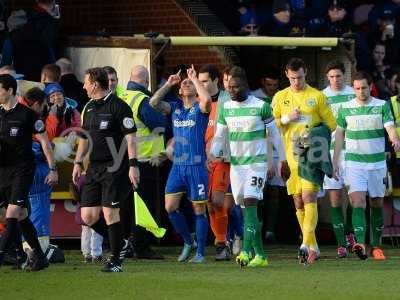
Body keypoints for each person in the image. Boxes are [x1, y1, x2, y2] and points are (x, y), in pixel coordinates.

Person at [211, 66, 286, 267]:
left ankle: (245, 251)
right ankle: (260, 256)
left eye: (236, 87)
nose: (232, 90)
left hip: (257, 164)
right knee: (245, 210)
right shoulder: (225, 107)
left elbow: (275, 136)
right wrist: (213, 153)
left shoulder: (261, 106)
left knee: (251, 202)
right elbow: (219, 135)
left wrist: (283, 160)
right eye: (230, 87)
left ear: (245, 85)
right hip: (237, 166)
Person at [72, 67, 140, 272]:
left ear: (94, 84)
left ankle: (116, 260)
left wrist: (133, 166)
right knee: (88, 217)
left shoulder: (119, 107)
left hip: (115, 166)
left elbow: (131, 138)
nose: (83, 86)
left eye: (85, 82)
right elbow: (84, 139)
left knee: (111, 213)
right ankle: (120, 242)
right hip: (94, 168)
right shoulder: (89, 107)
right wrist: (77, 162)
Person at [272, 58, 336, 264]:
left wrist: (314, 135)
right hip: (291, 157)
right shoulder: (280, 97)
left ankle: (304, 243)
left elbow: (332, 125)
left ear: (305, 72)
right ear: (286, 75)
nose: (296, 81)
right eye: (292, 78)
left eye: (299, 77)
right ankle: (313, 246)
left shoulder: (317, 96)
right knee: (298, 200)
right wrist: (286, 119)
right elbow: (272, 127)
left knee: (309, 197)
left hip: (310, 155)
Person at [333, 71, 400, 261]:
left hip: (377, 164)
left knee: (376, 203)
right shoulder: (346, 108)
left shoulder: (381, 106)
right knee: (358, 202)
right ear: (353, 88)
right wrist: (335, 160)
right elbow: (339, 135)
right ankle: (360, 244)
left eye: (364, 87)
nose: (360, 91)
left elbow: (390, 127)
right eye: (357, 88)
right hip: (354, 164)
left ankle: (376, 246)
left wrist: (394, 139)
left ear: (370, 86)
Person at [150, 65, 211, 263]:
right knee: (170, 207)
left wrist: (194, 79)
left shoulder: (200, 108)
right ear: (179, 91)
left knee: (199, 210)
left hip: (196, 166)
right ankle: (187, 241)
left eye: (189, 83)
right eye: (183, 82)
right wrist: (169, 83)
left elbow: (208, 100)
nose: (186, 82)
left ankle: (200, 253)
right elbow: (153, 102)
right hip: (177, 167)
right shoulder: (175, 108)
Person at [0, 74, 58, 271]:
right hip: (3, 171)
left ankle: (2, 255)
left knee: (13, 212)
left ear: (9, 90)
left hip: (23, 169)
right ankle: (39, 257)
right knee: (21, 215)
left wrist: (53, 169)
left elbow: (45, 143)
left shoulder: (27, 115)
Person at [120, 64, 167, 259]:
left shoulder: (121, 96)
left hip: (123, 159)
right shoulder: (142, 100)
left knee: (127, 206)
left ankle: (125, 244)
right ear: (146, 82)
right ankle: (141, 246)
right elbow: (158, 124)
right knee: (145, 206)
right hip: (145, 160)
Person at [322, 60, 355, 258]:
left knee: (354, 196)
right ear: (327, 78)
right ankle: (341, 243)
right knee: (335, 197)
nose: (335, 80)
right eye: (332, 76)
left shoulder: (353, 93)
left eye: (339, 76)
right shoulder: (322, 96)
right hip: (331, 152)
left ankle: (351, 233)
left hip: (352, 152)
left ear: (345, 76)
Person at [198, 64, 232, 261]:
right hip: (201, 159)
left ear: (215, 81)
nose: (201, 85)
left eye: (204, 81)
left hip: (222, 157)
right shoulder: (199, 103)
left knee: (220, 202)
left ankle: (232, 239)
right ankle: (222, 242)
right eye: (199, 81)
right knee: (210, 204)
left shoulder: (227, 100)